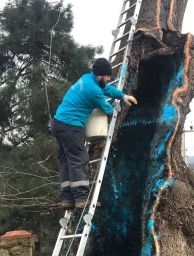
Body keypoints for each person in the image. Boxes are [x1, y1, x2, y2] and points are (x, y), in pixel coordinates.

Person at [52, 58, 137, 210]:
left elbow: (106, 89)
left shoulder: (87, 78)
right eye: (107, 76)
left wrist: (123, 96)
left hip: (58, 123)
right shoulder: (93, 91)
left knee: (66, 160)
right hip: (70, 126)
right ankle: (81, 199)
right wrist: (116, 106)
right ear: (100, 76)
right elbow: (108, 110)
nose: (109, 79)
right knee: (79, 159)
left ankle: (67, 199)